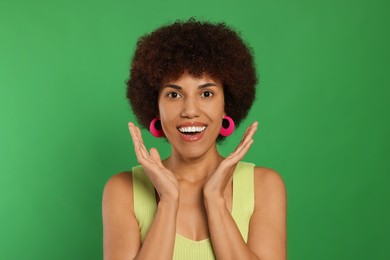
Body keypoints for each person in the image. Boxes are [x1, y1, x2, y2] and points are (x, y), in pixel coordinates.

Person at [102, 19, 286, 260]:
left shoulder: (264, 185)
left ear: (226, 106)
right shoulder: (123, 190)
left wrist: (215, 200)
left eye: (206, 93)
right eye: (174, 94)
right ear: (155, 107)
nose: (190, 110)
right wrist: (168, 202)